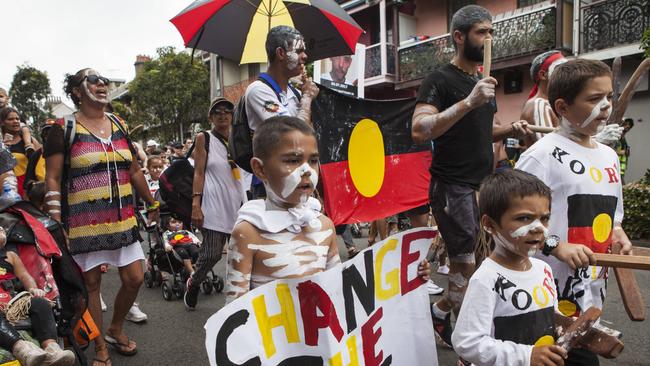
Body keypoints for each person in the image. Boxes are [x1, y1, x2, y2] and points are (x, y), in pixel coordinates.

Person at [410, 5, 593, 350]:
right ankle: (470, 344)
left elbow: (484, 131)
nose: (489, 39)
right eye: (482, 32)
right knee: (467, 265)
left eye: (492, 32)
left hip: (484, 186)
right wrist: (468, 101)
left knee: (488, 263)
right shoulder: (441, 79)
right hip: (453, 186)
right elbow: (420, 129)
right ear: (459, 37)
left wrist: (509, 128)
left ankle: (440, 311)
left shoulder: (482, 83)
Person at [224, 116, 431, 303]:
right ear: (260, 169)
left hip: (321, 341)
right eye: (292, 161)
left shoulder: (323, 225)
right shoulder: (248, 232)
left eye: (313, 160)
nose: (306, 171)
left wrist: (405, 274)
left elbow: (340, 290)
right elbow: (233, 314)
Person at [516, 59, 632, 365]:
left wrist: (618, 235)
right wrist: (557, 246)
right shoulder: (539, 157)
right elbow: (514, 226)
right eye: (594, 99)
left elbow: (613, 215)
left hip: (591, 296)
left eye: (608, 97)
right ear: (562, 107)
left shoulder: (608, 155)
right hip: (543, 300)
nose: (605, 107)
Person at [43, 68, 160, 366]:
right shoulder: (62, 127)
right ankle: (100, 349)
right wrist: (56, 222)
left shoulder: (119, 123)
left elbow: (133, 170)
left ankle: (115, 328)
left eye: (104, 80)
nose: (102, 84)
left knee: (135, 278)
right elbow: (53, 178)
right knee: (91, 285)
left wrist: (151, 202)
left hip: (123, 218)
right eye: (93, 80)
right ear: (78, 91)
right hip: (83, 222)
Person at [452, 170, 567, 366]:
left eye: (544, 218)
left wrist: (563, 328)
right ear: (489, 224)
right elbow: (467, 341)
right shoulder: (487, 279)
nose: (538, 228)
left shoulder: (543, 269)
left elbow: (548, 316)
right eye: (524, 218)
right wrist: (526, 356)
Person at [185, 97, 246, 310]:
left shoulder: (241, 137)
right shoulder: (204, 138)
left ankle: (238, 300)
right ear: (211, 117)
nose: (223, 115)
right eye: (217, 111)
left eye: (227, 111)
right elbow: (199, 172)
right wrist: (196, 204)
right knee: (211, 254)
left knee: (242, 256)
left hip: (240, 203)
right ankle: (194, 282)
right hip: (213, 203)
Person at [0, 226, 76, 366]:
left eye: (2, 229)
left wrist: (33, 289)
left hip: (14, 302)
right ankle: (23, 350)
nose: (1, 230)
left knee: (40, 303)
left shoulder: (11, 256)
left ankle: (52, 349)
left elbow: (25, 276)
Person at [244, 25, 320, 132]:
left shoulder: (295, 93)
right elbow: (293, 134)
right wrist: (307, 97)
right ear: (280, 53)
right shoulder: (258, 90)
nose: (305, 56)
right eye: (299, 51)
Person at [1, 107, 41, 198]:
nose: (15, 121)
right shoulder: (1, 143)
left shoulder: (29, 141)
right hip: (8, 189)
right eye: (10, 119)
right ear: (2, 122)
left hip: (30, 187)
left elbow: (41, 161)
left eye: (17, 119)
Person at [614, 118, 633, 183]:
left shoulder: (624, 140)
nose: (627, 126)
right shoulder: (615, 137)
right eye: (625, 124)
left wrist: (627, 153)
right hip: (613, 168)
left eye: (629, 126)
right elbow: (607, 149)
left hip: (620, 170)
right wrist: (618, 152)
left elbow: (625, 154)